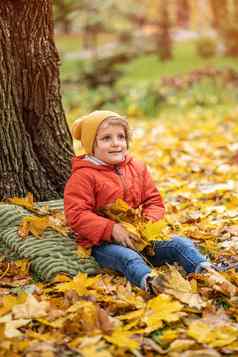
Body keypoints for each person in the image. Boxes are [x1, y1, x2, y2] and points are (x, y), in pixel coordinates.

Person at [64, 110, 225, 294]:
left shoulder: (136, 167)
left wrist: (147, 223)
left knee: (181, 244)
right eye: (106, 138)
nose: (116, 143)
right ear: (91, 145)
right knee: (129, 258)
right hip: (101, 243)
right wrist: (111, 229)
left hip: (139, 236)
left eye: (121, 137)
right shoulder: (83, 176)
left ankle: (205, 271)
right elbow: (77, 214)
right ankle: (152, 284)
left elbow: (153, 201)